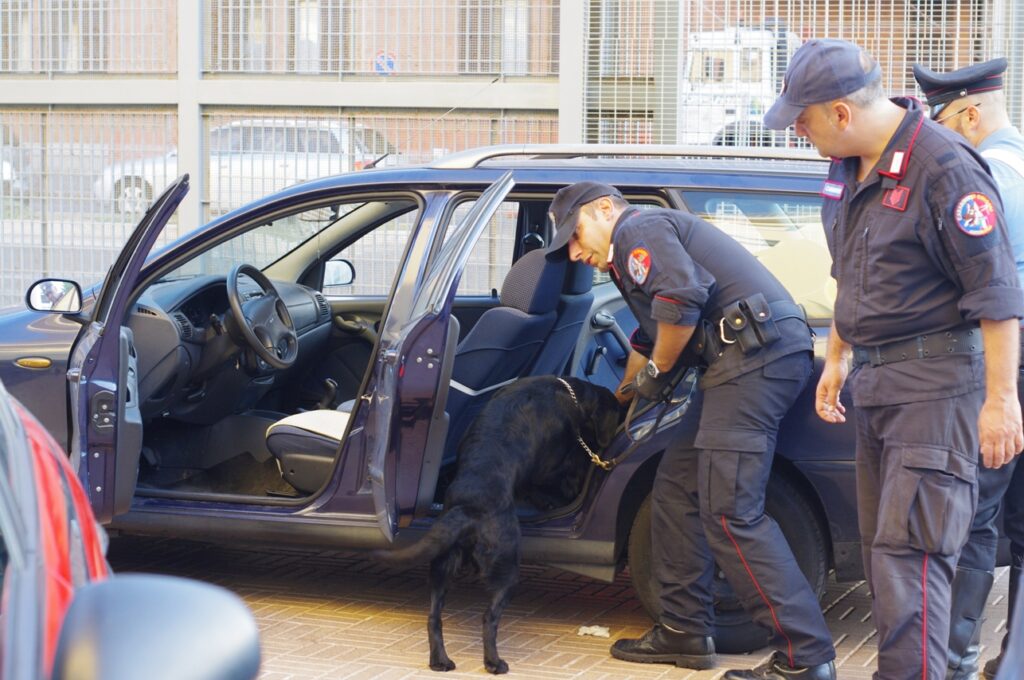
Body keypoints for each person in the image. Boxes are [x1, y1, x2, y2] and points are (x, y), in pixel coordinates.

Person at [763, 39, 1024, 680]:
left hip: (936, 391)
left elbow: (996, 295)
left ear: (841, 112)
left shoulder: (944, 166)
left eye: (803, 120)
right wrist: (837, 357)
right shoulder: (852, 166)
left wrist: (1000, 401)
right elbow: (852, 271)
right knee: (887, 566)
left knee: (912, 568)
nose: (798, 132)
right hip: (878, 386)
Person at [545, 181, 836, 679]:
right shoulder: (628, 256)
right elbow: (650, 336)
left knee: (732, 511)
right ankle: (684, 629)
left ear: (604, 208)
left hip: (753, 360)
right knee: (676, 488)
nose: (574, 252)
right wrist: (624, 398)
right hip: (740, 362)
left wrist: (658, 372)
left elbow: (682, 297)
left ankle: (806, 658)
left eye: (574, 234)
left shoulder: (637, 229)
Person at [912, 57, 1024, 680]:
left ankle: (952, 661)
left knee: (976, 513)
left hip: (1004, 362)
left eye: (947, 123)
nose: (944, 140)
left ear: (971, 114)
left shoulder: (990, 179)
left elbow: (973, 283)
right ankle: (1011, 663)